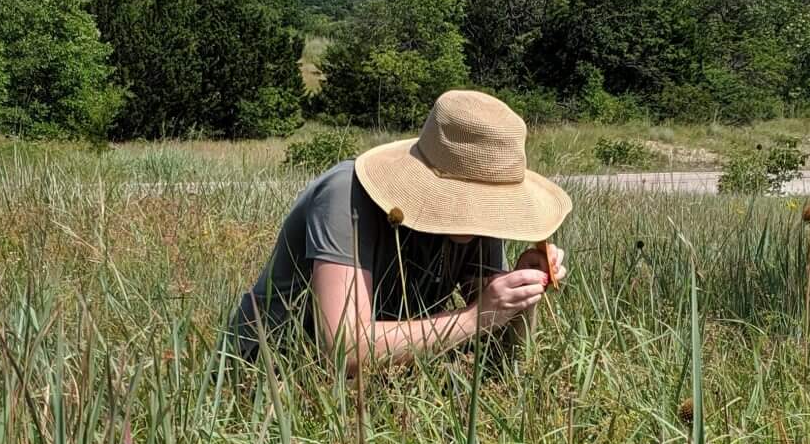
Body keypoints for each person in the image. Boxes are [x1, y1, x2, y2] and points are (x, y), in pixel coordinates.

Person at [227, 89, 571, 369]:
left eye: (490, 201)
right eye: (472, 199)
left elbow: (497, 353)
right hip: (271, 369)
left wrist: (524, 289)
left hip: (385, 374)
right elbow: (343, 348)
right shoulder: (346, 196)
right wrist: (473, 318)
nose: (479, 215)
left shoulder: (482, 221)